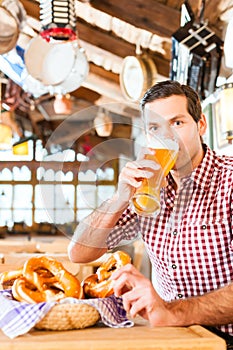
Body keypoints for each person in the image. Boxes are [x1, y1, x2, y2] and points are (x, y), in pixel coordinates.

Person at [68, 80, 233, 346]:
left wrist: (172, 312)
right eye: (155, 128)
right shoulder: (149, 187)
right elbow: (79, 253)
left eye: (177, 123)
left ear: (200, 125)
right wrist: (120, 198)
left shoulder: (228, 181)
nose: (166, 137)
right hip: (171, 337)